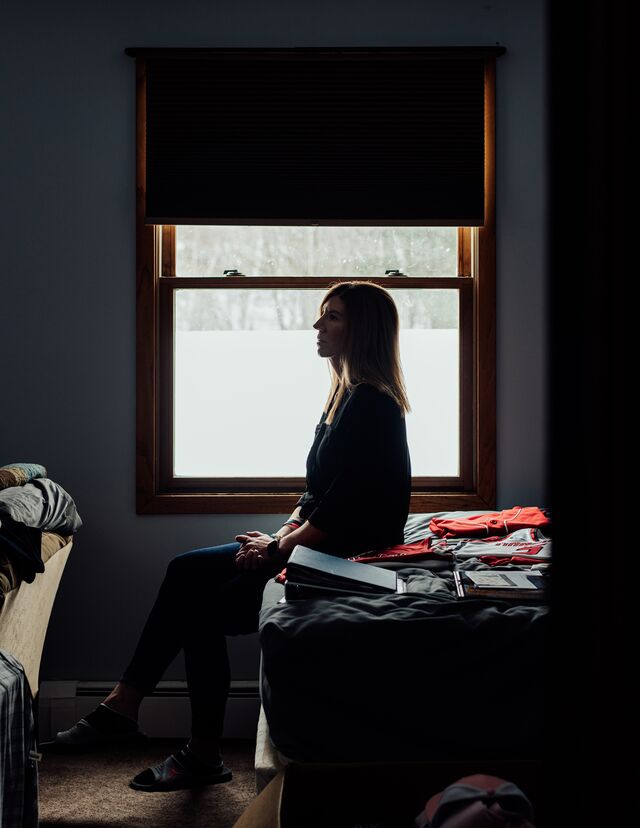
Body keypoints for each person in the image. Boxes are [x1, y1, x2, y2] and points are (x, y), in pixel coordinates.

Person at [47, 280, 412, 791]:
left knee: (201, 610)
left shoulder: (373, 404)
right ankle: (124, 706)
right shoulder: (342, 399)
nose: (317, 325)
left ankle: (191, 748)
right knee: (184, 570)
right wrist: (280, 535)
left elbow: (350, 510)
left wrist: (279, 548)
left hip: (343, 557)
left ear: (362, 329)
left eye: (331, 316)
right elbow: (315, 496)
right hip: (314, 541)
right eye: (321, 315)